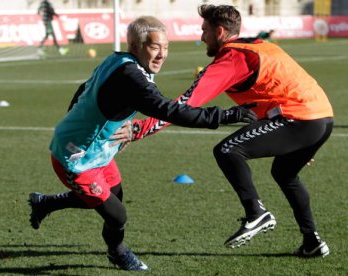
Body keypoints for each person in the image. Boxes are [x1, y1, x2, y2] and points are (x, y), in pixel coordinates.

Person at [28, 16, 257, 272]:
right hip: (75, 157)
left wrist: (85, 123)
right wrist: (225, 115)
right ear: (136, 47)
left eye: (166, 47)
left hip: (99, 151)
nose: (162, 55)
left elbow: (84, 88)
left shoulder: (117, 59)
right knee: (117, 215)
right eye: (155, 47)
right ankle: (118, 252)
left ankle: (45, 203)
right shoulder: (132, 78)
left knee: (112, 197)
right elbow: (169, 111)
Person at [131, 5, 333, 258]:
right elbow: (274, 90)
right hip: (321, 117)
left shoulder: (232, 59)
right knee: (285, 174)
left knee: (227, 150)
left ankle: (255, 213)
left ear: (220, 31)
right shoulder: (259, 45)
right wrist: (301, 137)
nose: (201, 36)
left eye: (204, 31)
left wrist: (139, 130)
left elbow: (184, 105)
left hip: (300, 119)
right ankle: (312, 241)